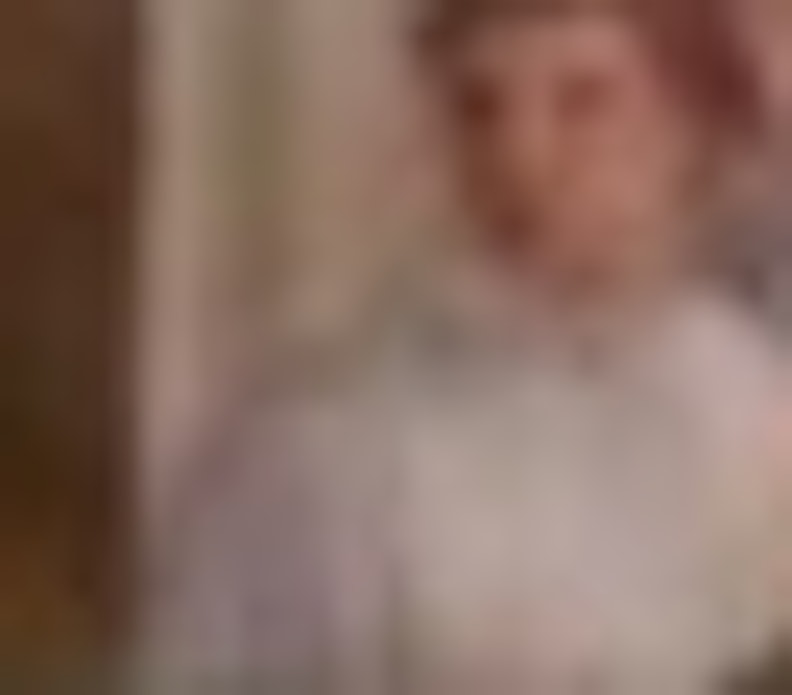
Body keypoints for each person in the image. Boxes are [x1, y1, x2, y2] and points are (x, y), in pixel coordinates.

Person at [141, 0, 785, 692]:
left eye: (584, 103)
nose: (520, 157)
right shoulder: (320, 443)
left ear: (690, 128)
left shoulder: (758, 409)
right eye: (477, 109)